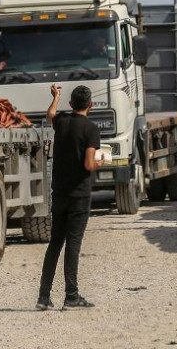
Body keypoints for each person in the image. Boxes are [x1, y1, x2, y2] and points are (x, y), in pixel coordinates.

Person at [37, 84, 102, 310]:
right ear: (91, 105)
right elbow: (88, 163)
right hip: (79, 195)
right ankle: (71, 296)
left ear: (72, 104)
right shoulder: (91, 129)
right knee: (73, 244)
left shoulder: (62, 122)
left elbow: (50, 114)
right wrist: (101, 162)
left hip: (60, 193)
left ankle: (43, 297)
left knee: (55, 243)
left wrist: (56, 97)